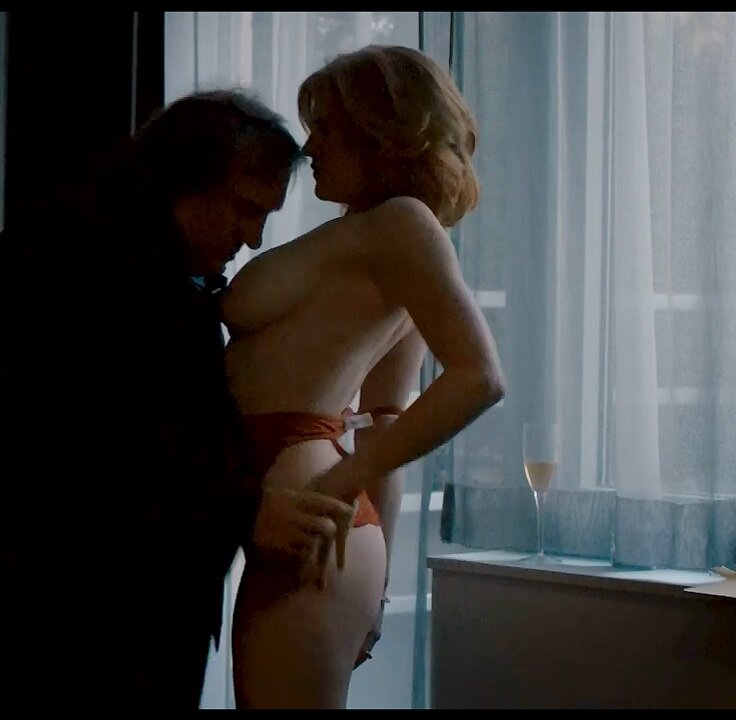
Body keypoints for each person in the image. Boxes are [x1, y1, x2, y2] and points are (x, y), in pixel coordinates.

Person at [0, 89, 357, 710]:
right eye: (245, 208)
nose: (255, 238)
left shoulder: (96, 249)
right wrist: (237, 511)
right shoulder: (92, 267)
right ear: (184, 180)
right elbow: (83, 454)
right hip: (32, 636)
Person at [220, 45, 507, 709]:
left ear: (382, 133)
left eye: (327, 128)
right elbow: (384, 417)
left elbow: (480, 377)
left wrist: (342, 482)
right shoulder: (380, 234)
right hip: (316, 523)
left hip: (314, 520)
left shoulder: (404, 225)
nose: (309, 147)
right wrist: (376, 586)